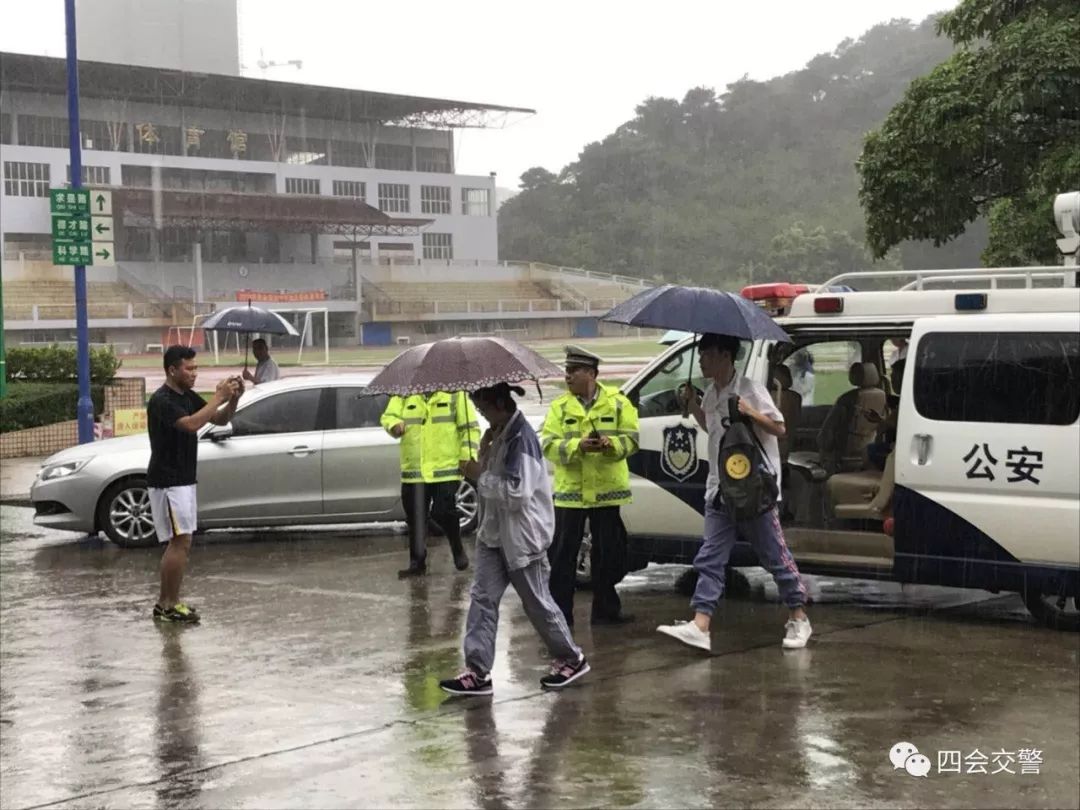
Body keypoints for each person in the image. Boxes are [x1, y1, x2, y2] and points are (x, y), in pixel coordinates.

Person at [656, 333, 812, 651]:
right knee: (711, 558)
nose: (700, 361)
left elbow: (779, 428)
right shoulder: (713, 392)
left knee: (774, 556)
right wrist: (694, 406)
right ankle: (701, 625)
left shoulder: (749, 389)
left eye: (706, 354)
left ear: (725, 356)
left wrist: (749, 412)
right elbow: (712, 427)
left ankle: (798, 615)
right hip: (719, 489)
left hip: (752, 488)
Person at [440, 383, 589, 696]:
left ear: (497, 404)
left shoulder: (522, 440)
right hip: (493, 537)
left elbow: (517, 493)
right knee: (482, 600)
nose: (480, 414)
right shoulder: (499, 434)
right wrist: (484, 453)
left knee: (537, 603)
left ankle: (571, 657)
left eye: (482, 407)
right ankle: (477, 670)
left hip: (523, 539)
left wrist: (479, 473)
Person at [541, 345, 639, 626]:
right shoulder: (559, 407)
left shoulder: (618, 402)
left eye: (573, 371)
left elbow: (632, 440)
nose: (567, 376)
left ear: (591, 374)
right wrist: (577, 446)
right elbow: (548, 445)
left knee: (609, 554)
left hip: (607, 493)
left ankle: (606, 610)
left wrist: (611, 444)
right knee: (562, 556)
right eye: (567, 371)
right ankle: (560, 614)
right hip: (571, 495)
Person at [149, 345, 241, 623]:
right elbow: (190, 425)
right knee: (180, 542)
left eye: (195, 367)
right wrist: (218, 396)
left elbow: (219, 419)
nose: (194, 373)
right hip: (169, 481)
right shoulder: (162, 400)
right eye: (188, 368)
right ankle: (168, 604)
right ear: (172, 370)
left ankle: (168, 602)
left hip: (184, 479)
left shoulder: (186, 395)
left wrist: (233, 399)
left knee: (181, 541)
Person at [381, 389, 480, 578]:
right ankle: (417, 563)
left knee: (443, 512)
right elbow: (388, 416)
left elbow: (469, 428)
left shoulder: (454, 393)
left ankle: (457, 548)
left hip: (445, 469)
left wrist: (466, 456)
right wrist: (394, 425)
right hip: (414, 470)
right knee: (416, 519)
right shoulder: (404, 393)